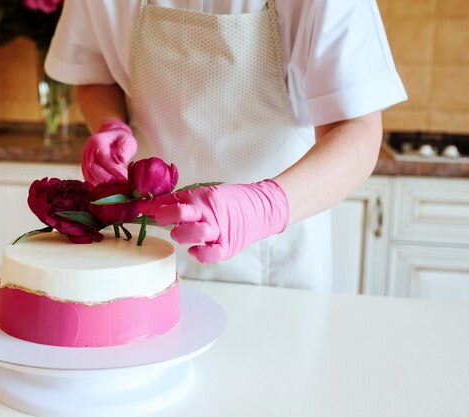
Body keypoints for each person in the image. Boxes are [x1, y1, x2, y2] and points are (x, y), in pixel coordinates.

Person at [45, 0, 407, 290]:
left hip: (274, 264)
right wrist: (111, 124)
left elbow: (357, 129)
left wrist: (264, 206)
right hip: (142, 250)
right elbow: (94, 74)